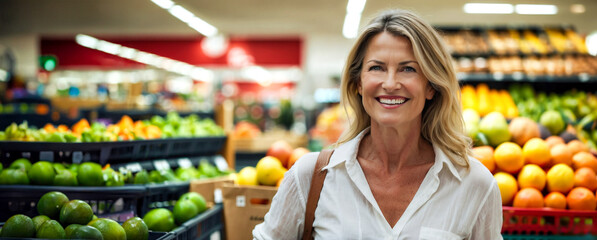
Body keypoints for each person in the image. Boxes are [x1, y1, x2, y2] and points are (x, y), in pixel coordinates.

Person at [253, 9, 503, 239]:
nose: (391, 83)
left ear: (431, 86)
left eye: (408, 69)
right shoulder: (310, 177)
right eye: (377, 68)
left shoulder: (474, 184)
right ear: (359, 84)